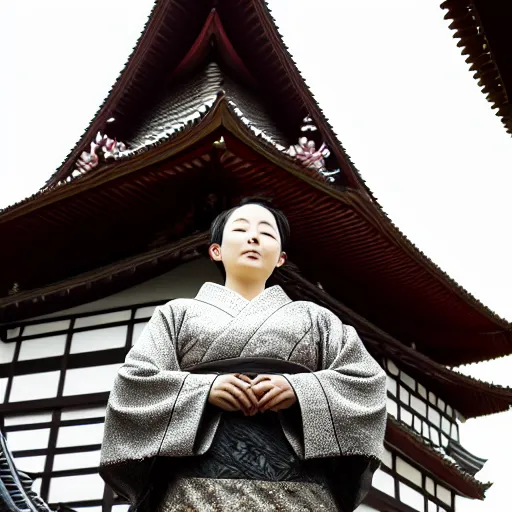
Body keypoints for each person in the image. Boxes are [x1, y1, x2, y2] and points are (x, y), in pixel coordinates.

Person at [100, 197, 387, 511]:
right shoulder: (177, 313)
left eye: (266, 233)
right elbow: (135, 381)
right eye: (241, 230)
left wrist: (301, 391)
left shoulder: (315, 318)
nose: (254, 238)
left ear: (280, 258)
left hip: (301, 491)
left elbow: (365, 381)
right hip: (192, 490)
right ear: (216, 250)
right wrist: (202, 390)